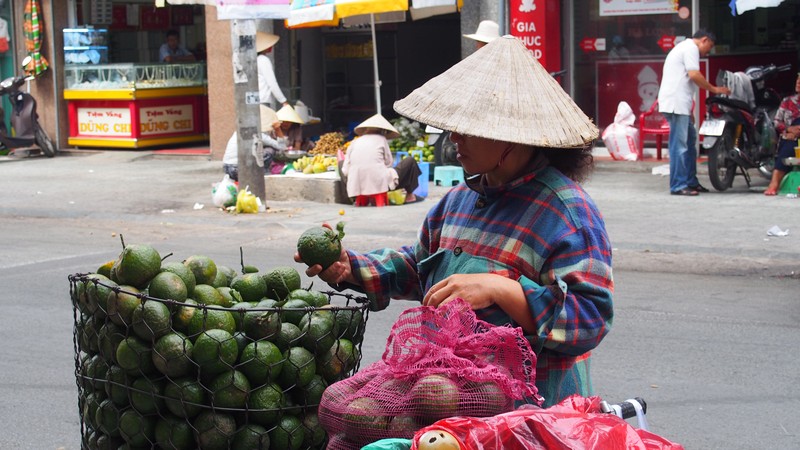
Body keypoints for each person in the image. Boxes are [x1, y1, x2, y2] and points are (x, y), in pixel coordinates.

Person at [296, 36, 613, 407]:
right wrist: (350, 266)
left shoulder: (568, 213)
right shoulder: (459, 200)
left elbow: (589, 319)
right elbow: (419, 267)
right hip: (447, 400)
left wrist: (502, 290)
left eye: (468, 127)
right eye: (453, 125)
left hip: (532, 414)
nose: (454, 137)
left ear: (511, 134)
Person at [657, 29, 730, 196]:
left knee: (690, 142)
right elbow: (694, 74)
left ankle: (690, 181)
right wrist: (714, 89)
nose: (707, 51)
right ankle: (678, 185)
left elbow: (684, 80)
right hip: (676, 104)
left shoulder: (684, 47)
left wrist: (689, 110)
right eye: (709, 47)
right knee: (680, 145)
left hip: (681, 104)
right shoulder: (690, 48)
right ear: (704, 40)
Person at [340, 114, 423, 205]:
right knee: (410, 161)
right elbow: (389, 163)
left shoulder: (354, 142)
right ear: (382, 131)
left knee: (341, 163)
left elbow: (345, 169)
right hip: (379, 183)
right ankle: (410, 196)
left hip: (357, 185)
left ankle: (356, 199)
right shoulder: (381, 139)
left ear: (366, 129)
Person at [222, 105, 287, 181]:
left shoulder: (240, 130)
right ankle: (262, 176)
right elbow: (282, 147)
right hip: (238, 169)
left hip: (226, 167)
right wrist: (278, 129)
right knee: (270, 150)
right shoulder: (258, 134)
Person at [764, 73, 800, 196]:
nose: (798, 82)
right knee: (789, 146)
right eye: (798, 80)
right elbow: (777, 122)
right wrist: (789, 129)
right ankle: (774, 184)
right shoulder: (787, 101)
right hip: (789, 137)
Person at [256, 32, 289, 110]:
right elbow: (272, 83)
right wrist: (283, 101)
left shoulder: (256, 60)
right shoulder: (263, 60)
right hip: (263, 101)